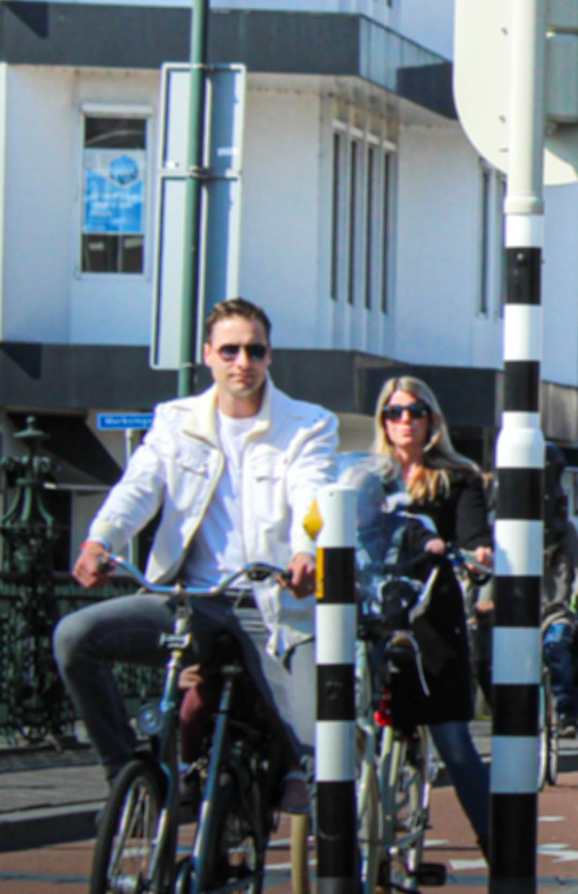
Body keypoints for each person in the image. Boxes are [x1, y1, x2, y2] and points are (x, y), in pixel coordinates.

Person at [55, 299, 333, 803]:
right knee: (75, 637)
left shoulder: (308, 424)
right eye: (229, 350)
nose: (241, 362)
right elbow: (139, 485)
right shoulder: (175, 420)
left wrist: (307, 551)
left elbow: (311, 496)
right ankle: (125, 779)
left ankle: (299, 792)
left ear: (270, 356)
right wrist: (102, 540)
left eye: (254, 350)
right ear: (208, 355)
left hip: (274, 610)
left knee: (319, 755)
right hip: (192, 605)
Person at [371, 376, 494, 852]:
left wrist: (474, 551)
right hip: (376, 616)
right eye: (395, 412)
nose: (405, 421)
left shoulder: (457, 478)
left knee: (453, 740)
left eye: (415, 411)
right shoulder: (367, 479)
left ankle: (495, 848)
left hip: (430, 620)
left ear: (431, 420)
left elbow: (473, 535)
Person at [540, 477, 578, 739]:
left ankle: (566, 714)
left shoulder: (567, 532)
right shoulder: (515, 530)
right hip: (522, 614)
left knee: (557, 648)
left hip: (558, 610)